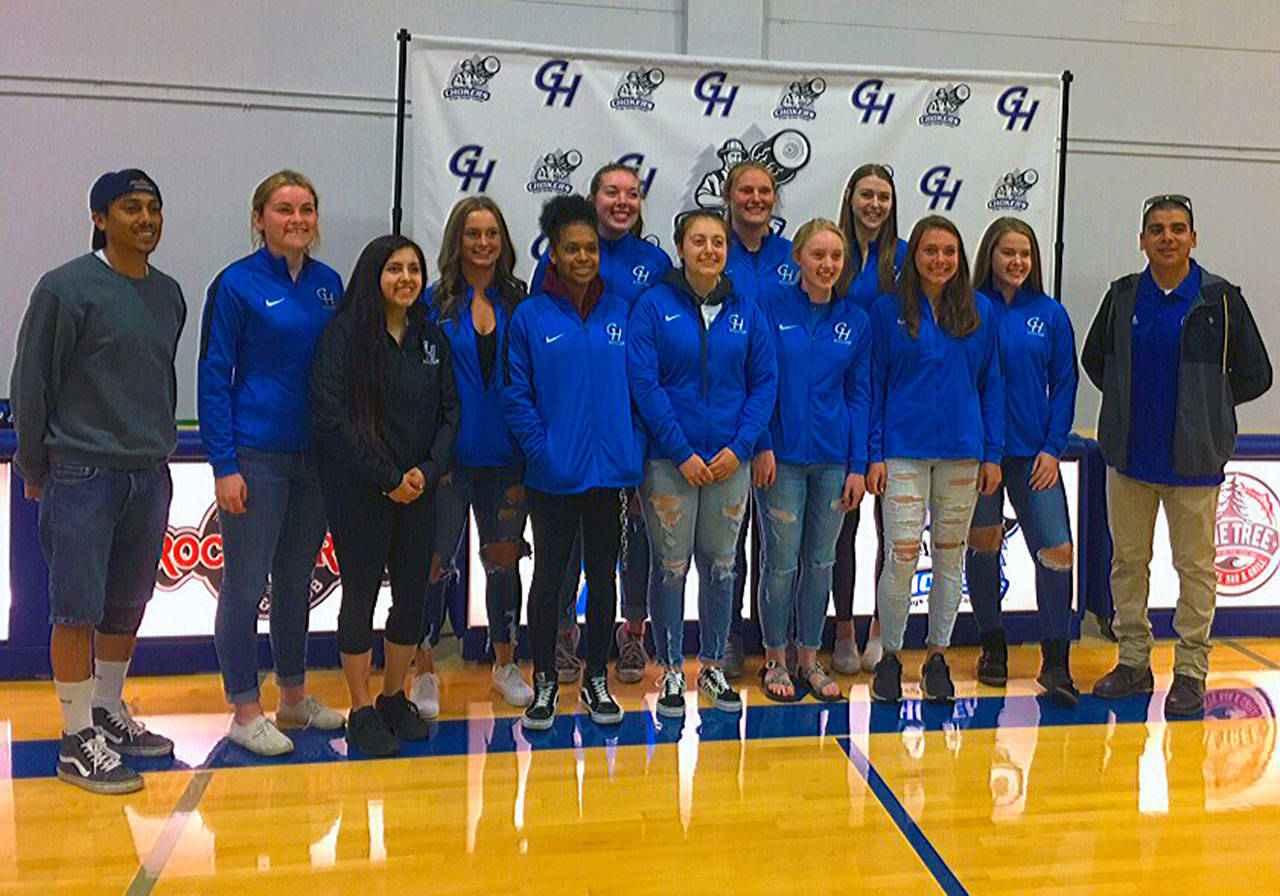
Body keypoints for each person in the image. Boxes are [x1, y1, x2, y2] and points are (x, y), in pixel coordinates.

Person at [11, 169, 185, 792]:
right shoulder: (65, 288)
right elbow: (32, 384)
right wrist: (35, 467)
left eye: (154, 208)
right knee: (77, 610)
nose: (146, 219)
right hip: (81, 471)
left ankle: (109, 712)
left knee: (127, 606)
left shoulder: (168, 293)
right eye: (131, 208)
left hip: (148, 470)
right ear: (100, 218)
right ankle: (74, 737)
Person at [1082, 194, 1272, 716]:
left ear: (1194, 238)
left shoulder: (1221, 301)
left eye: (1178, 229)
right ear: (1142, 240)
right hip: (1129, 460)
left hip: (1194, 465)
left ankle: (1190, 671)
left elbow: (1257, 374)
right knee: (1128, 565)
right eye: (1157, 229)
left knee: (1195, 570)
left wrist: (1206, 410)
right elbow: (1094, 359)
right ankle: (1134, 662)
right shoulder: (1122, 296)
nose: (1168, 237)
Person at [198, 170, 345, 756]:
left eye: (306, 209)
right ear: (259, 219)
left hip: (313, 459)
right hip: (255, 455)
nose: (297, 219)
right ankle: (243, 707)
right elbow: (214, 375)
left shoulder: (329, 284)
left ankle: (292, 696)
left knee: (294, 583)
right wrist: (223, 463)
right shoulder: (235, 285)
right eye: (283, 209)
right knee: (243, 586)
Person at [309, 234, 459, 756]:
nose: (406, 279)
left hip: (418, 491)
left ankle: (394, 696)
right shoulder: (343, 338)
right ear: (374, 274)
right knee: (360, 596)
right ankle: (361, 706)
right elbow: (332, 422)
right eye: (394, 269)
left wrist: (424, 471)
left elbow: (449, 414)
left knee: (412, 599)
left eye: (414, 270)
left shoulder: (431, 340)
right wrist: (386, 477)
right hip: (360, 492)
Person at [502, 195, 644, 731]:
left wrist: (631, 450)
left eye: (590, 249)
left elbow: (640, 389)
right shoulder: (531, 317)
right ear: (553, 254)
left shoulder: (621, 314)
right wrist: (544, 451)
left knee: (604, 578)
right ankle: (544, 681)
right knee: (549, 580)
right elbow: (516, 394)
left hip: (611, 476)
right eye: (572, 249)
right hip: (553, 476)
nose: (583, 257)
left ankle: (597, 681)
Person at [628, 210, 777, 717]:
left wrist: (740, 447)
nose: (709, 250)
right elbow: (645, 384)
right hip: (671, 463)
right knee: (670, 567)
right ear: (680, 247)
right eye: (698, 241)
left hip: (729, 463)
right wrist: (681, 451)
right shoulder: (653, 306)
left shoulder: (746, 310)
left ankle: (711, 666)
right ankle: (671, 670)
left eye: (717, 241)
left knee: (721, 566)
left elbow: (764, 383)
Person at [532, 164, 672, 686]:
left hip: (626, 441)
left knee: (629, 549)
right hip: (564, 447)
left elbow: (653, 361)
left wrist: (638, 442)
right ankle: (563, 643)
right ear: (593, 199)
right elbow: (535, 369)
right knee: (561, 558)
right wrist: (543, 445)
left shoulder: (654, 263)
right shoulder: (548, 282)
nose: (622, 201)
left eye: (632, 194)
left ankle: (630, 638)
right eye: (611, 191)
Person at [865, 215, 1004, 704]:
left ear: (960, 258)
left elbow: (992, 385)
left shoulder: (980, 310)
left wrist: (993, 453)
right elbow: (874, 384)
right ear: (914, 257)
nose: (940, 260)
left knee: (949, 559)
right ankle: (890, 657)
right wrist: (874, 453)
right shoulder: (886, 311)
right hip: (902, 452)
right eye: (930, 251)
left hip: (964, 454)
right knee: (901, 559)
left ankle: (938, 657)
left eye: (949, 251)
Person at [415, 197, 531, 716]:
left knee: (503, 565)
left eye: (491, 234)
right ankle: (423, 671)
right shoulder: (433, 303)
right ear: (456, 241)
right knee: (433, 564)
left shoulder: (521, 301)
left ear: (503, 241)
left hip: (506, 455)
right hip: (445, 459)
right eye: (472, 234)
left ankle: (505, 665)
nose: (483, 243)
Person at [753, 219, 870, 702]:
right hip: (780, 459)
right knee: (779, 564)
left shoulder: (855, 321)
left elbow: (860, 394)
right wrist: (761, 443)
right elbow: (754, 381)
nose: (827, 265)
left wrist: (858, 465)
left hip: (833, 462)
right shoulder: (768, 310)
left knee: (820, 563)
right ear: (797, 259)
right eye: (817, 255)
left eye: (835, 257)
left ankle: (809, 657)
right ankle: (774, 659)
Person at [966, 217, 1080, 705]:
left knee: (1057, 552)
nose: (1016, 261)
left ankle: (1056, 661)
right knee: (984, 545)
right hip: (980, 456)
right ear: (989, 255)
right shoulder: (968, 309)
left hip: (1036, 455)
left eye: (1025, 254)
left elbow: (1066, 382)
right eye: (1007, 252)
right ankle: (993, 647)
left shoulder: (1050, 314)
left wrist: (1053, 447)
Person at [831, 163, 909, 674]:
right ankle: (843, 630)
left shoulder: (904, 258)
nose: (874, 204)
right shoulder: (832, 250)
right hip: (841, 405)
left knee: (892, 531)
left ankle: (882, 627)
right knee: (842, 530)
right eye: (866, 195)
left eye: (883, 196)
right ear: (851, 197)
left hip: (897, 403)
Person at [721, 160, 797, 678]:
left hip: (785, 422)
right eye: (745, 190)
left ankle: (775, 639)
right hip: (726, 421)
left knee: (776, 547)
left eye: (764, 190)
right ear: (729, 197)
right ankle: (727, 637)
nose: (755, 198)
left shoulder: (793, 259)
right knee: (728, 542)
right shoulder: (712, 251)